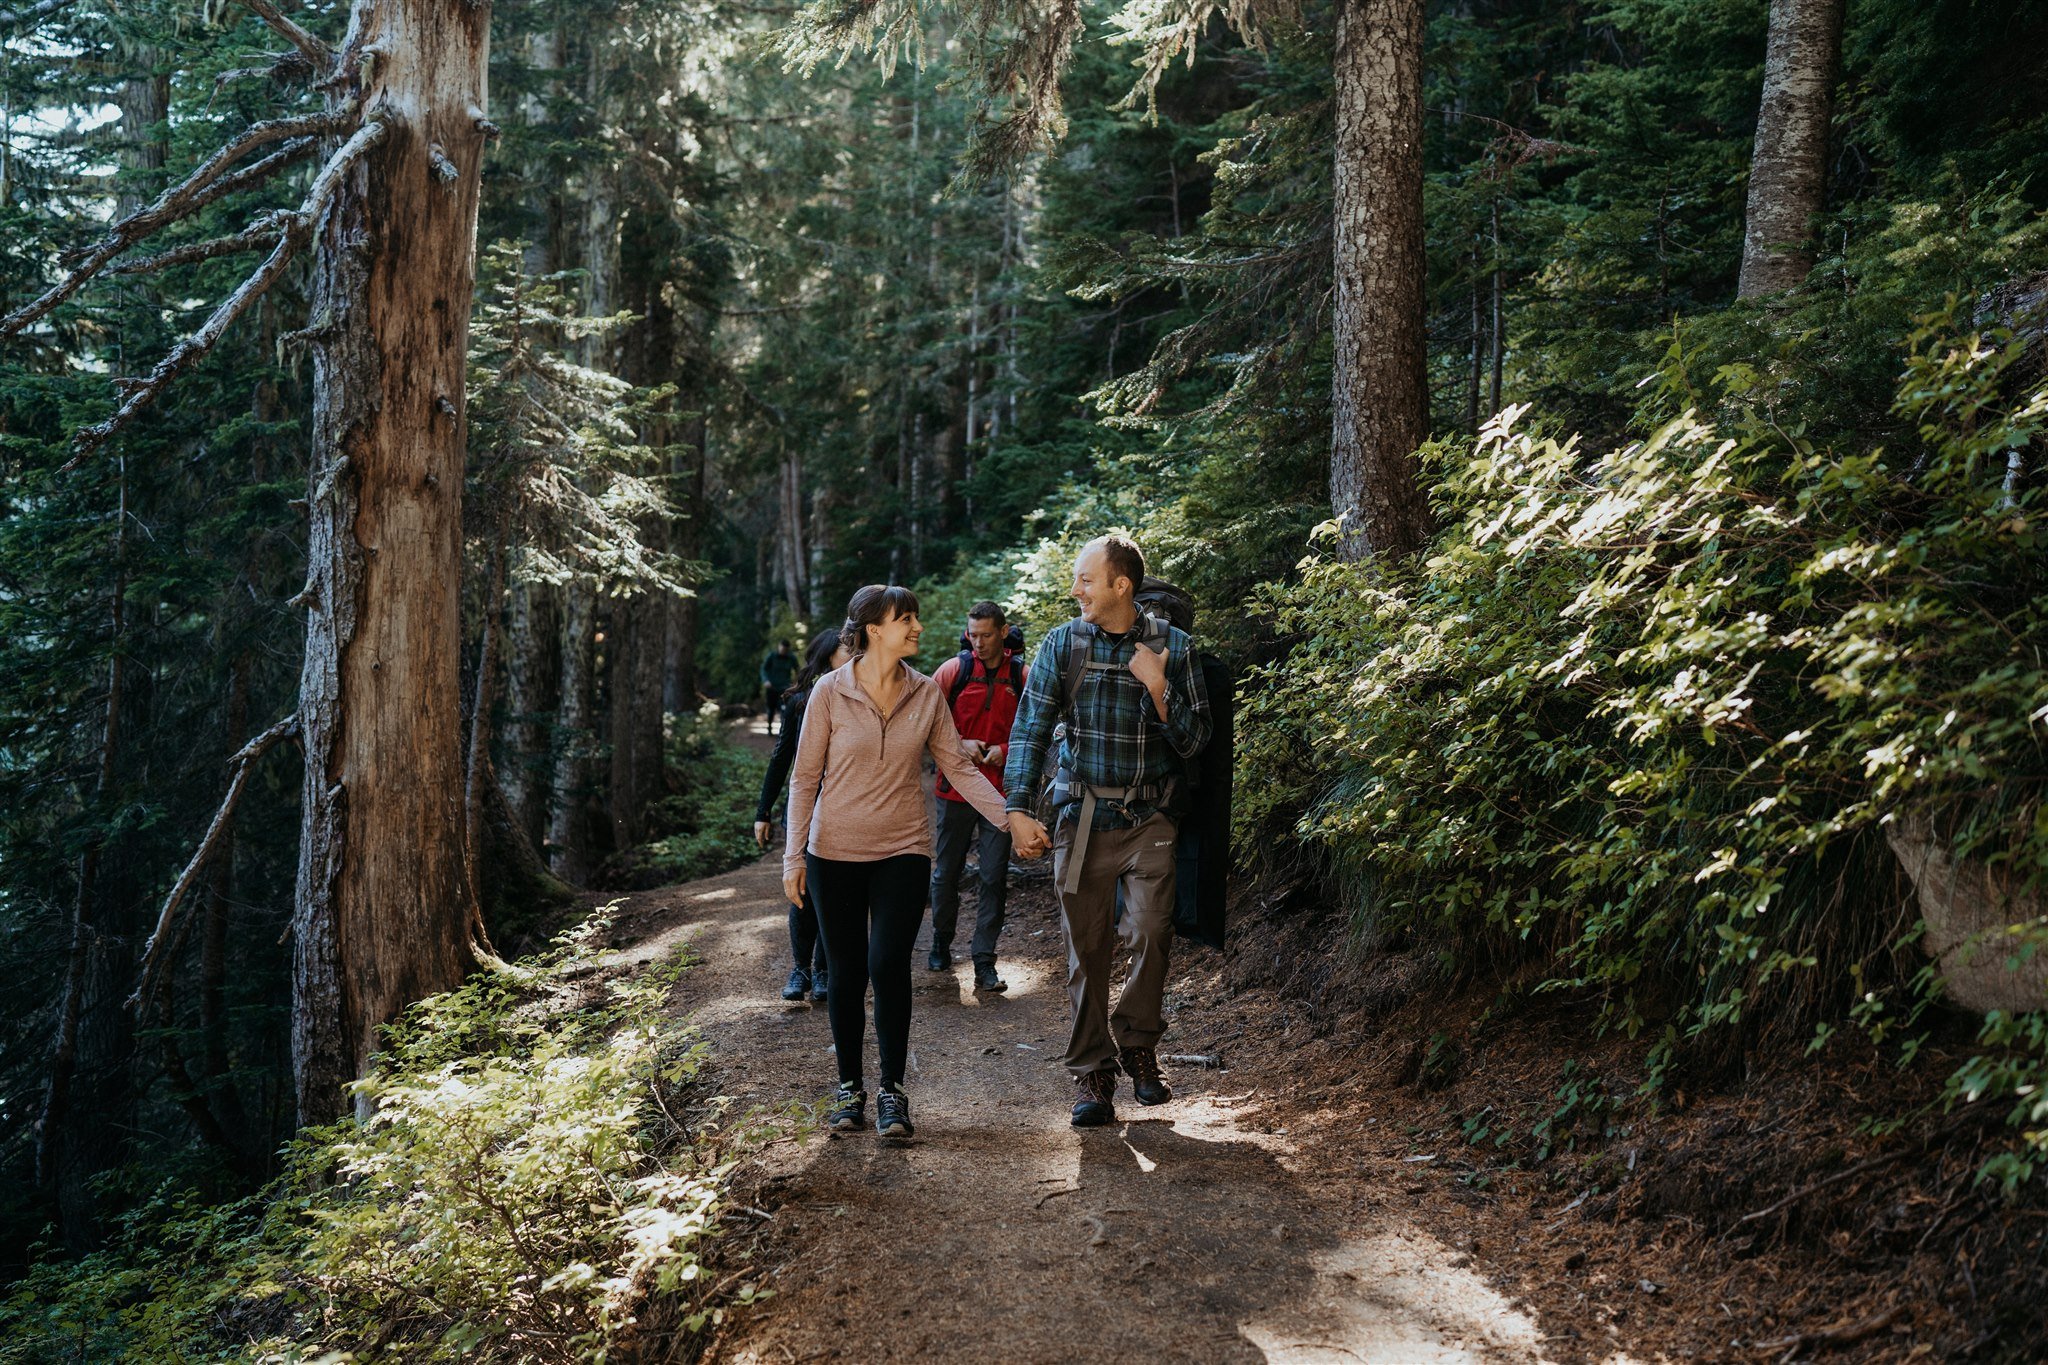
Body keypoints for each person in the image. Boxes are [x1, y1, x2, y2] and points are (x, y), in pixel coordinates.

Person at [784, 585, 1040, 1140]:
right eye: (908, 620)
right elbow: (804, 779)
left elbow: (961, 768)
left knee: (888, 963)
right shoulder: (829, 692)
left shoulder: (926, 694)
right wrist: (793, 857)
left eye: (917, 618)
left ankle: (892, 1093)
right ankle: (849, 1087)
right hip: (834, 852)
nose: (919, 628)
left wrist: (1010, 817)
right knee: (847, 970)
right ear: (875, 629)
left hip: (903, 849)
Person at [1004, 534, 1212, 1128]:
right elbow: (1030, 731)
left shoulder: (1176, 648)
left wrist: (1158, 686)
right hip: (1083, 819)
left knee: (1150, 930)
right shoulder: (1061, 645)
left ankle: (1138, 1044)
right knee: (1085, 947)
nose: (1077, 591)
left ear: (1121, 585)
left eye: (1086, 580)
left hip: (1152, 819)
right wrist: (1018, 809)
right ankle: (1094, 1069)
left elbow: (1198, 742)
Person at [926, 601, 1024, 992]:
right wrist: (958, 744)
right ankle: (940, 942)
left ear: (1003, 632)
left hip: (1000, 794)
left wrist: (1004, 749)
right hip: (954, 790)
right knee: (946, 873)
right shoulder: (953, 671)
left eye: (985, 635)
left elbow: (1039, 732)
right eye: (972, 635)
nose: (978, 643)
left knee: (993, 876)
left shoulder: (1022, 676)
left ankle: (984, 962)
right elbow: (924, 724)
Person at [755, 628, 849, 1005]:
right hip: (804, 808)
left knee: (831, 892)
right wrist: (763, 810)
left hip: (843, 809)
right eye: (846, 649)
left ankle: (824, 969)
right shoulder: (798, 702)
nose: (853, 654)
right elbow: (781, 759)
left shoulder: (856, 696)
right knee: (803, 892)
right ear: (827, 656)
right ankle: (801, 969)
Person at [759, 639, 797, 735]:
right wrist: (766, 680)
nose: (783, 651)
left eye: (785, 650)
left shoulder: (791, 658)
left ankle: (782, 730)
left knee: (784, 709)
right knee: (771, 709)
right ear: (779, 646)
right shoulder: (772, 656)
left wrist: (796, 683)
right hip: (772, 687)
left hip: (785, 688)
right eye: (782, 649)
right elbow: (764, 669)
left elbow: (798, 670)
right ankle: (769, 728)